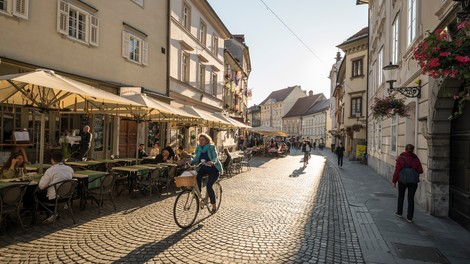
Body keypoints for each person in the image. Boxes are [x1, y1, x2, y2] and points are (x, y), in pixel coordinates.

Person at [37, 151, 74, 223]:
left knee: (36, 194)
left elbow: (41, 186)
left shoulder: (50, 170)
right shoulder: (70, 169)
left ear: (52, 160)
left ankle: (50, 212)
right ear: (62, 159)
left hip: (54, 198)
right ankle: (52, 212)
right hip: (66, 196)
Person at [191, 133, 222, 213]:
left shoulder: (211, 147)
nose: (201, 141)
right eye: (200, 140)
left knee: (209, 186)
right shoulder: (199, 148)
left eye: (203, 140)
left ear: (207, 140)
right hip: (204, 169)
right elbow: (196, 158)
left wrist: (212, 162)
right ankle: (199, 193)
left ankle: (214, 205)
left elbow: (215, 156)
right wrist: (190, 162)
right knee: (197, 177)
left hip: (214, 170)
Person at [392, 144, 423, 223]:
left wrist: (394, 181)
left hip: (402, 180)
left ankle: (399, 213)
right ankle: (409, 217)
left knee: (401, 196)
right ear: (413, 150)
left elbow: (397, 171)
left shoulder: (401, 158)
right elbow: (420, 171)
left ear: (405, 149)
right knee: (411, 199)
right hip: (413, 182)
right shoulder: (416, 159)